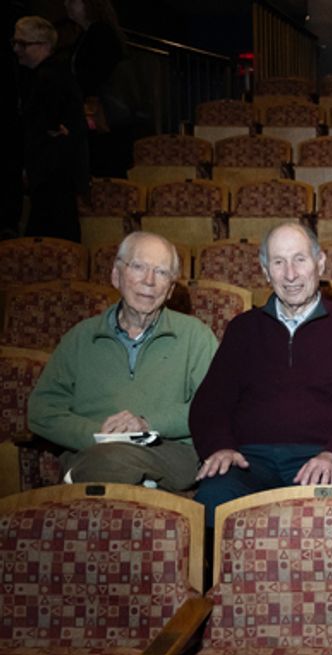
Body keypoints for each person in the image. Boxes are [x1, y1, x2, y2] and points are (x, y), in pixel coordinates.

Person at [190, 222, 332, 524]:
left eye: (300, 259)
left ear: (319, 263)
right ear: (265, 271)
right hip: (251, 462)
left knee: (329, 517)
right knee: (214, 499)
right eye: (278, 262)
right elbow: (210, 403)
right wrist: (220, 448)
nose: (291, 274)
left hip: (324, 459)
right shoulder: (243, 329)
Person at [28, 232, 217, 489]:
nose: (149, 281)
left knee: (113, 461)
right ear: (116, 276)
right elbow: (41, 411)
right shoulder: (81, 337)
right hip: (92, 450)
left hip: (168, 452)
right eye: (138, 267)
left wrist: (146, 424)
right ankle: (126, 482)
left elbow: (213, 406)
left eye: (161, 272)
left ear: (170, 289)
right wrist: (99, 435)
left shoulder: (196, 335)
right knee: (107, 459)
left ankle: (93, 480)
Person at [13, 15, 88, 241]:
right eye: (15, 43)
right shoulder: (50, 75)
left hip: (53, 174)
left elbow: (50, 130)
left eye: (23, 44)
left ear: (44, 46)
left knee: (50, 239)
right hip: (53, 173)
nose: (17, 49)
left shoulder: (50, 78)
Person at [64, 0, 142, 177]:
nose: (66, 4)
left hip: (105, 116)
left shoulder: (100, 34)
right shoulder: (86, 34)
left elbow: (94, 75)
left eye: (73, 1)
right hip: (100, 114)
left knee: (106, 170)